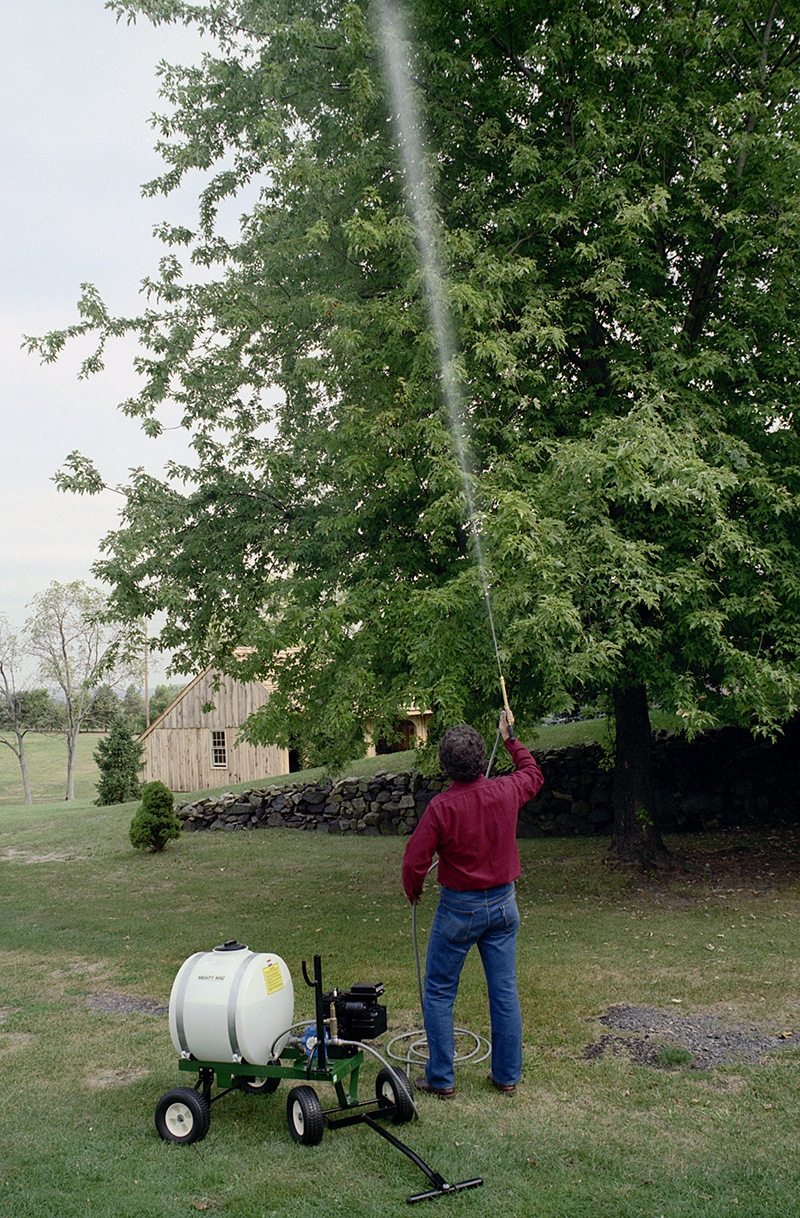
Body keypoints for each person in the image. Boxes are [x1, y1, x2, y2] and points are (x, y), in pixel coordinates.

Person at [402, 709, 544, 1099]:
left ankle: (441, 1079)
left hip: (458, 911)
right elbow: (533, 773)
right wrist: (511, 737)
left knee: (439, 992)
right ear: (482, 759)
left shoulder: (441, 807)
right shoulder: (506, 790)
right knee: (504, 991)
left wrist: (413, 889)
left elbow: (415, 859)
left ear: (446, 766)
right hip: (503, 908)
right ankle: (506, 1077)